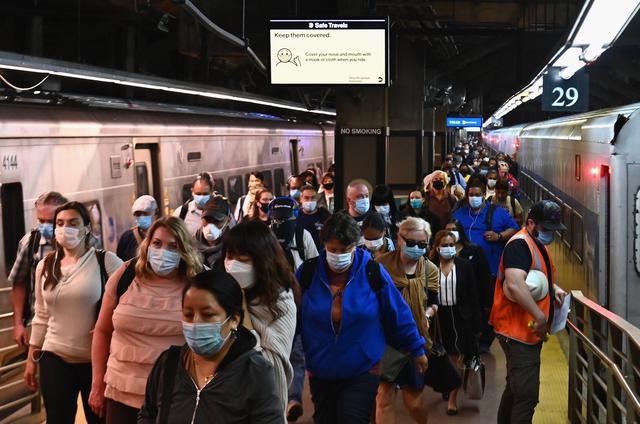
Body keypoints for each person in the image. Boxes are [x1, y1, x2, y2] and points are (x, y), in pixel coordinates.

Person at [297, 211, 428, 424]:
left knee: (352, 418)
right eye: (333, 249)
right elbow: (292, 317)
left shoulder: (371, 272)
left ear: (355, 246)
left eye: (345, 250)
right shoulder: (308, 273)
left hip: (363, 368)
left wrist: (417, 348)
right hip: (321, 368)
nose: (338, 255)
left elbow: (398, 312)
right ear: (324, 245)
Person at [89, 216, 203, 423]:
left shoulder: (199, 281)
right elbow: (102, 331)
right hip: (121, 392)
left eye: (173, 246)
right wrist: (97, 384)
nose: (162, 252)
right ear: (147, 245)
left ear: (184, 250)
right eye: (157, 243)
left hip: (175, 396)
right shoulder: (126, 275)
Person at [138, 270, 283, 423]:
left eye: (207, 315)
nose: (195, 323)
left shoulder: (254, 372)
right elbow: (148, 415)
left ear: (234, 319)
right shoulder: (169, 363)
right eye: (188, 314)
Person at [25, 201, 123, 424]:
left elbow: (129, 301)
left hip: (96, 362)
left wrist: (110, 323)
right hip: (54, 355)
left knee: (99, 419)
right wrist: (31, 359)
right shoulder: (45, 266)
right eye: (60, 223)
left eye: (72, 223)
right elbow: (41, 315)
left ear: (86, 228)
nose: (64, 228)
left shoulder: (105, 262)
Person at [490, 201, 568, 423]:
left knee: (515, 388)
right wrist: (540, 317)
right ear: (531, 223)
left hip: (522, 332)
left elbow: (534, 274)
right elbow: (515, 284)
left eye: (554, 230)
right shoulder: (520, 245)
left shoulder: (534, 243)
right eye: (546, 229)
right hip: (518, 333)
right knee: (526, 396)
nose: (550, 234)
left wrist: (553, 288)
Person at [222, 221, 297, 413]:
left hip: (262, 402)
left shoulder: (280, 303)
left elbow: (269, 364)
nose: (233, 265)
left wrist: (242, 307)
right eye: (229, 256)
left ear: (263, 261)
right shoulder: (219, 296)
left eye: (243, 259)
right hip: (225, 398)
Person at [375, 217, 439, 424]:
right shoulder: (381, 265)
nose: (416, 248)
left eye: (422, 244)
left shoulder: (430, 269)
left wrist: (427, 315)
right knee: (383, 399)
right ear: (399, 239)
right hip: (386, 341)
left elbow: (434, 302)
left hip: (415, 341)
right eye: (411, 242)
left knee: (414, 403)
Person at [452, 178, 519, 351]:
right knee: (466, 303)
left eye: (477, 195)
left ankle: (485, 340)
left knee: (487, 305)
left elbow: (514, 229)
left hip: (489, 269)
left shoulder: (497, 213)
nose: (473, 198)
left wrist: (499, 236)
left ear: (483, 195)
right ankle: (467, 337)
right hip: (464, 270)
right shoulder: (459, 214)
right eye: (471, 195)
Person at [429, 230, 482, 415]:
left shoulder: (464, 266)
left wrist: (477, 325)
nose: (449, 248)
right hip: (438, 317)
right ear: (437, 248)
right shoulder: (429, 267)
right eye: (444, 245)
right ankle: (446, 384)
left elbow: (473, 295)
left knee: (456, 357)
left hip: (460, 317)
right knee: (440, 356)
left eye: (451, 245)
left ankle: (452, 398)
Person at [10, 191, 68, 348]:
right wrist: (18, 324)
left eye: (50, 221)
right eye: (41, 221)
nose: (45, 226)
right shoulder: (30, 244)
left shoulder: (84, 242)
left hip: (73, 323)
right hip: (41, 324)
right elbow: (19, 283)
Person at [445, 219, 493, 352]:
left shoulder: (474, 250)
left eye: (454, 230)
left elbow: (485, 277)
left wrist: (487, 302)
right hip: (451, 299)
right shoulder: (443, 252)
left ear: (460, 232)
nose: (451, 233)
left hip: (473, 298)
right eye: (448, 231)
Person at [269, 196, 319, 271]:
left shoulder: (303, 235)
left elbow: (314, 263)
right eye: (278, 219)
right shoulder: (266, 235)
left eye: (286, 219)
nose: (282, 222)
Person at [116, 195, 157, 261]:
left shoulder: (162, 235)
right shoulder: (127, 238)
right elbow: (119, 262)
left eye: (145, 213)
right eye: (138, 214)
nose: (142, 217)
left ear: (155, 213)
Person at [195, 196, 233, 268]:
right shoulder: (191, 245)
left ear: (228, 221)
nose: (211, 226)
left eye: (217, 221)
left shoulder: (234, 247)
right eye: (207, 220)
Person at [297, 184, 331, 251]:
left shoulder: (325, 215)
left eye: (313, 198)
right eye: (306, 198)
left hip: (321, 253)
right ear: (301, 199)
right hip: (302, 253)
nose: (310, 201)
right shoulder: (296, 216)